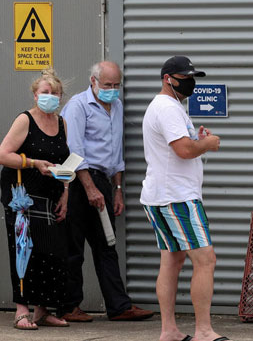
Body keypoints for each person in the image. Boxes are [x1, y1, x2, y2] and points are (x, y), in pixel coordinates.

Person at [59, 61, 153, 322]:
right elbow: (74, 151)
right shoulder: (78, 106)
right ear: (93, 81)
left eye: (116, 85)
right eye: (107, 85)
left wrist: (118, 189)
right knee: (73, 247)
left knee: (106, 245)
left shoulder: (117, 106)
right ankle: (69, 306)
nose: (112, 90)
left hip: (103, 182)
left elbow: (116, 152)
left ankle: (118, 306)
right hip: (80, 183)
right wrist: (90, 188)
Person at [140, 56, 226, 341]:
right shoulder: (167, 108)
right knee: (206, 260)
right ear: (168, 78)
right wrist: (207, 144)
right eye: (185, 77)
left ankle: (169, 331)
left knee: (172, 261)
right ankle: (203, 330)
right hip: (176, 197)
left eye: (192, 76)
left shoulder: (168, 107)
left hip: (162, 195)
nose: (190, 82)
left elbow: (182, 146)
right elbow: (185, 151)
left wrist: (196, 140)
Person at [0, 69, 71, 330]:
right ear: (35, 94)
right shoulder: (25, 120)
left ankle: (43, 310)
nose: (49, 97)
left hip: (51, 193)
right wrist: (32, 163)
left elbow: (64, 161)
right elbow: (3, 154)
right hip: (22, 194)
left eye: (54, 93)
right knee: (24, 248)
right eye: (45, 93)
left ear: (61, 97)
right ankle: (21, 310)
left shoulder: (62, 123)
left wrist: (65, 193)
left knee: (53, 251)